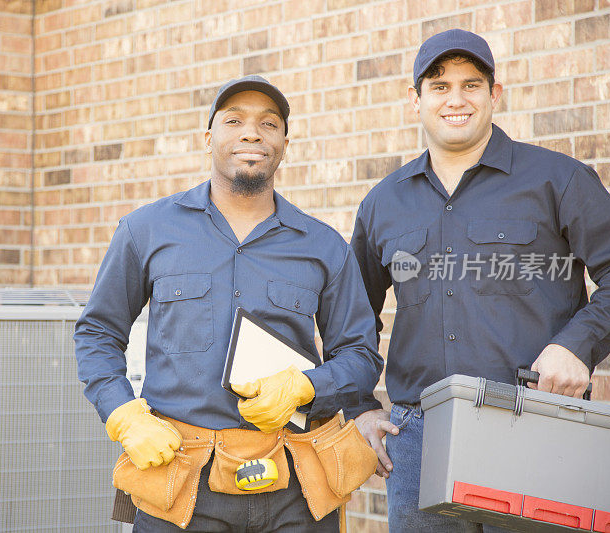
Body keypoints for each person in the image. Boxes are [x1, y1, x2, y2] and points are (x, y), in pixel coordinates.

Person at [74, 75, 383, 531]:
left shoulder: (323, 246)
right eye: (233, 120)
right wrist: (122, 415)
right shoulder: (146, 231)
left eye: (269, 124)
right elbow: (97, 332)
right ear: (208, 138)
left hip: (295, 489)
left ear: (284, 143)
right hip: (180, 481)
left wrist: (307, 387)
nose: (251, 133)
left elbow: (360, 356)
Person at [350, 29, 610, 532]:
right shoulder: (383, 202)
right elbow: (351, 316)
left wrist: (577, 347)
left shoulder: (557, 180)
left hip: (533, 428)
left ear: (495, 94)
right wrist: (358, 406)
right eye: (439, 85)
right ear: (416, 99)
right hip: (419, 442)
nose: (456, 99)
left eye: (471, 85)